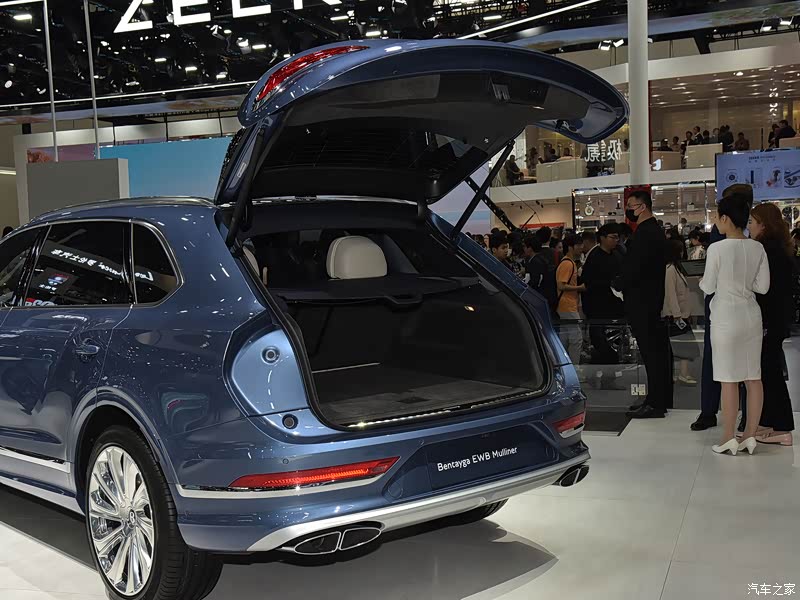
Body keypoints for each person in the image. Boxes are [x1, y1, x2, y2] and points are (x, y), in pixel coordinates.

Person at [700, 191, 769, 455]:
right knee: (753, 377)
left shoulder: (717, 249)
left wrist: (706, 282)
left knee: (728, 379)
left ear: (726, 218)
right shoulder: (757, 247)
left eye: (717, 217)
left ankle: (728, 436)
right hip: (751, 316)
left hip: (725, 319)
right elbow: (762, 287)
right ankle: (750, 435)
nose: (716, 221)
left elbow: (708, 285)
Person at [621, 190, 672, 419]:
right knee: (655, 353)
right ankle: (656, 399)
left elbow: (637, 268)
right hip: (649, 300)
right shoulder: (653, 231)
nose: (628, 210)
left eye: (631, 206)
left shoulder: (646, 233)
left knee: (652, 353)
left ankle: (656, 402)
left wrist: (620, 282)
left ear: (642, 207)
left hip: (644, 302)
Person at [747, 203, 795, 446]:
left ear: (763, 225)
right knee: (768, 370)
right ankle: (769, 421)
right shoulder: (779, 248)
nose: (749, 227)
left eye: (752, 222)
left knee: (769, 371)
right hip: (775, 319)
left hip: (769, 320)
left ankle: (781, 426)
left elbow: (767, 291)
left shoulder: (767, 250)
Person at [581, 224, 625, 387]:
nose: (616, 240)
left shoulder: (618, 255)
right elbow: (588, 283)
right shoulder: (594, 257)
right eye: (613, 237)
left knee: (615, 344)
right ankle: (594, 375)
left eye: (617, 237)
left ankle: (607, 378)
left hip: (616, 307)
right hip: (598, 308)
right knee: (601, 344)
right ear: (602, 238)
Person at [663, 239, 698, 386]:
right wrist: (677, 314)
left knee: (683, 346)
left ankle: (682, 373)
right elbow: (670, 294)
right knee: (681, 346)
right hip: (676, 315)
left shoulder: (675, 268)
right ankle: (681, 374)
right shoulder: (670, 269)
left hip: (680, 314)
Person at [556, 234, 586, 366]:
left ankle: (564, 365)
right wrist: (580, 287)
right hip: (567, 305)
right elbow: (561, 285)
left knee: (566, 337)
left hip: (565, 305)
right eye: (578, 245)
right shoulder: (567, 264)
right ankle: (574, 367)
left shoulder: (568, 262)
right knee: (576, 338)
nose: (581, 247)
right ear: (570, 247)